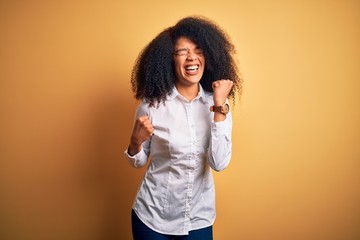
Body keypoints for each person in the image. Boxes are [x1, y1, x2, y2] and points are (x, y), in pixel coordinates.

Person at [124, 16, 242, 240]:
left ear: (208, 56)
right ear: (169, 59)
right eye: (182, 52)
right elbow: (137, 162)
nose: (192, 57)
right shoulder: (151, 107)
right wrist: (135, 142)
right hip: (152, 217)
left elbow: (219, 163)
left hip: (198, 217)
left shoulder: (218, 104)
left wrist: (219, 106)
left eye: (198, 50)